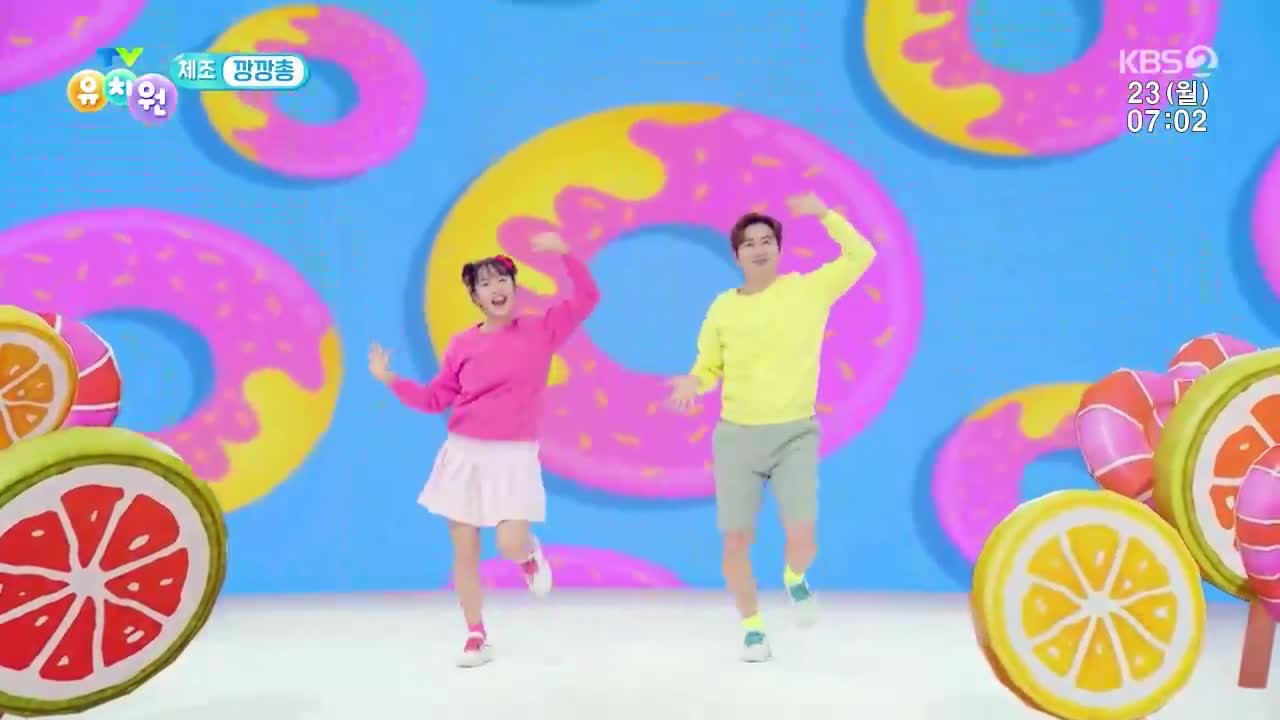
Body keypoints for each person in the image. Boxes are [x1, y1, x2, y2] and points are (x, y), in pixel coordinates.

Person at [368, 231, 600, 668]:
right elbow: (435, 398)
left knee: (509, 543)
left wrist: (566, 254)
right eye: (485, 283)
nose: (496, 288)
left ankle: (527, 556)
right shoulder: (462, 344)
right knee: (465, 553)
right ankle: (476, 634)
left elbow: (588, 298)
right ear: (475, 296)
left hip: (513, 456)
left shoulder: (541, 330)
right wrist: (390, 379)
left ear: (514, 286)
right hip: (464, 455)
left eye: (502, 280)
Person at [665, 192, 876, 662]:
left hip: (795, 434)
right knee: (736, 540)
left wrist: (825, 215)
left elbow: (862, 255)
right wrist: (693, 382)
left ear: (779, 249)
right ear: (736, 254)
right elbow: (708, 366)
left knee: (802, 536)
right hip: (737, 438)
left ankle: (794, 578)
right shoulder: (723, 307)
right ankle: (753, 629)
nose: (759, 249)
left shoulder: (808, 290)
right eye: (749, 243)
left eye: (767, 241)